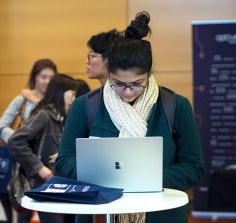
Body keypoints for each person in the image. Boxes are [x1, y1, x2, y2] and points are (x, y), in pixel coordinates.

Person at [55, 11, 205, 223]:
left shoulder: (175, 106)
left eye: (136, 84)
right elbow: (63, 162)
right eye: (118, 83)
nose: (127, 92)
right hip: (99, 213)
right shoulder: (86, 106)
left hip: (161, 214)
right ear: (108, 71)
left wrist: (142, 180)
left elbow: (194, 166)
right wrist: (101, 176)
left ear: (149, 73)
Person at [8, 73, 77, 223]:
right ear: (61, 92)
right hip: (44, 186)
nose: (74, 98)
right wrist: (39, 168)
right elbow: (15, 140)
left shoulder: (63, 119)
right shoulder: (44, 115)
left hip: (61, 185)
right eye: (72, 93)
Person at [0, 58, 57, 145]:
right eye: (43, 77)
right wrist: (19, 139)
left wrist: (36, 101)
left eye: (52, 78)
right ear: (35, 77)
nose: (48, 81)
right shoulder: (22, 100)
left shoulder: (56, 101)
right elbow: (0, 127)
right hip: (21, 154)